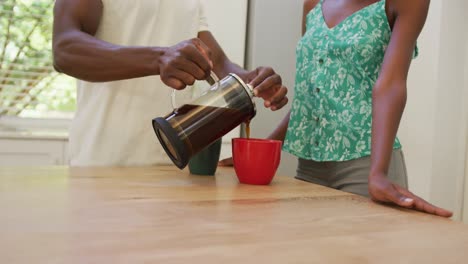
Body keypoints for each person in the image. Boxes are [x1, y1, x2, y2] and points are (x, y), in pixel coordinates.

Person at [220, 0, 452, 217]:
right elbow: (312, 93)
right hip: (310, 168)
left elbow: (390, 84)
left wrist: (378, 173)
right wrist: (265, 148)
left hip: (367, 167)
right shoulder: (314, 4)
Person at [52, 0, 288, 167]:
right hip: (103, 165)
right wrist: (159, 58)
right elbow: (65, 50)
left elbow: (216, 62)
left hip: (174, 164)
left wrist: (251, 81)